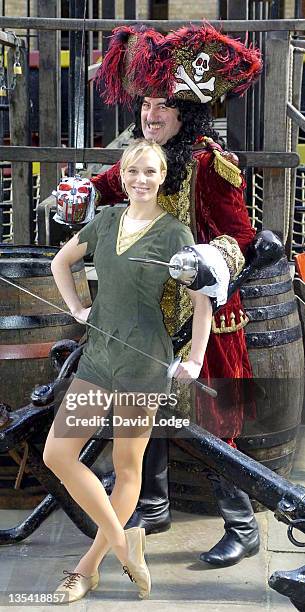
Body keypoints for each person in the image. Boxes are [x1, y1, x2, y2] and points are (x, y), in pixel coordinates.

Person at [81, 21, 262, 569]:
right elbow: (106, 194)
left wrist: (211, 258)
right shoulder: (138, 160)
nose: (150, 115)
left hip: (207, 318)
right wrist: (76, 198)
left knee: (214, 425)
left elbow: (246, 239)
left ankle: (244, 525)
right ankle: (152, 505)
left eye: (164, 106)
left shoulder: (209, 164)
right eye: (145, 104)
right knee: (141, 413)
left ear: (188, 114)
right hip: (143, 317)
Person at [43, 139, 213, 602]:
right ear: (122, 174)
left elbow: (203, 301)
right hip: (99, 356)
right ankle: (125, 542)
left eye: (150, 173)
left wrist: (195, 358)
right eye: (134, 171)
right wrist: (78, 307)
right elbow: (61, 262)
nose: (141, 180)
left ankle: (87, 568)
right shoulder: (104, 221)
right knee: (57, 454)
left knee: (127, 468)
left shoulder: (175, 234)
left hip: (143, 362)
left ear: (162, 179)